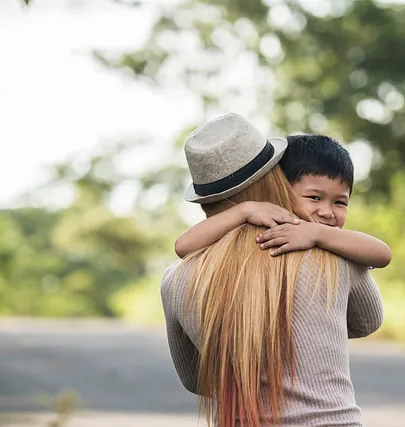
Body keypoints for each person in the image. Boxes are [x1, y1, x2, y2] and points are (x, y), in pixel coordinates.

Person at [160, 113, 383, 427]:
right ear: (275, 176)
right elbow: (367, 322)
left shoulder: (178, 277)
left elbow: (197, 382)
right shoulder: (328, 250)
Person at [174, 133, 392, 269]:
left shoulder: (332, 239)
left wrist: (317, 235)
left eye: (340, 202)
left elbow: (383, 254)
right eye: (314, 197)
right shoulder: (272, 224)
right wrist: (245, 210)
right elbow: (183, 246)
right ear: (283, 191)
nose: (327, 212)